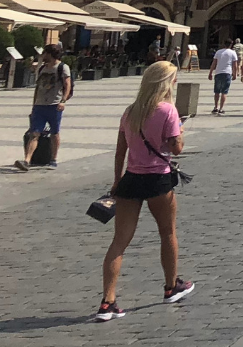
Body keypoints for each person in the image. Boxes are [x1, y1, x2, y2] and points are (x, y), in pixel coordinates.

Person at [95, 61, 193, 320]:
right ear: (166, 83)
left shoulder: (130, 112)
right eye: (173, 79)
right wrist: (180, 130)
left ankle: (108, 302)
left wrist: (117, 181)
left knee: (119, 242)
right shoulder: (167, 111)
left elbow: (120, 151)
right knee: (167, 232)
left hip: (131, 179)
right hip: (158, 180)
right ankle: (172, 286)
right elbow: (176, 149)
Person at [15, 43, 72, 172]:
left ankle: (53, 159)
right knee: (34, 133)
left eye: (45, 53)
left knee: (54, 133)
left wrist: (63, 101)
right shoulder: (42, 69)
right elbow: (38, 87)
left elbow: (67, 84)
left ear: (50, 54)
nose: (43, 55)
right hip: (40, 106)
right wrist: (34, 105)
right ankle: (27, 160)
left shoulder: (63, 67)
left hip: (54, 105)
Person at [209, 42, 237, 116]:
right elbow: (235, 65)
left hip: (218, 72)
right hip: (227, 73)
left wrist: (210, 72)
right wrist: (235, 74)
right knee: (224, 92)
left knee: (217, 91)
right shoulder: (233, 53)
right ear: (231, 45)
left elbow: (214, 63)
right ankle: (221, 109)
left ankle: (215, 107)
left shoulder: (218, 52)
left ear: (224, 44)